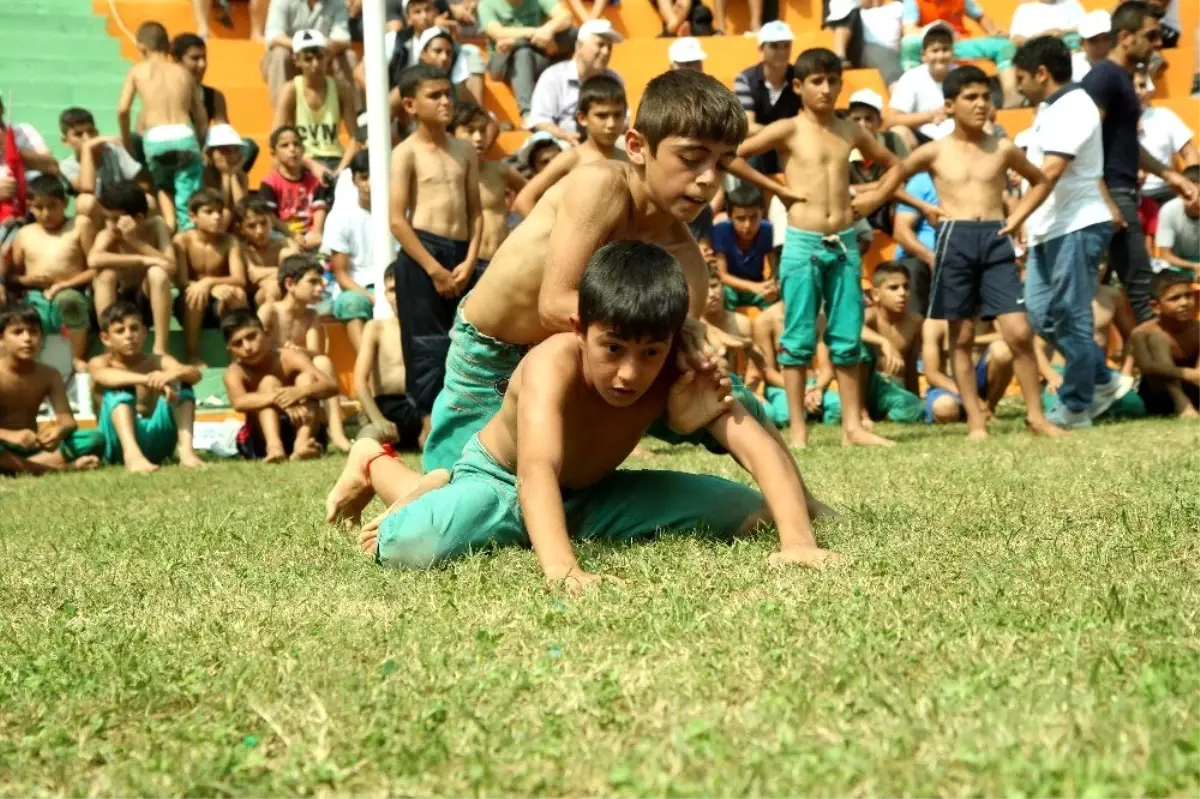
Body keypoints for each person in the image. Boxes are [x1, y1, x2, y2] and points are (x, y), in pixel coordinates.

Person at [417, 69, 833, 524]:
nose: (709, 179)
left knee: (720, 389)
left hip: (598, 363)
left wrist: (694, 354)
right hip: (491, 367)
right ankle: (372, 463)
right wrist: (681, 330)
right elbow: (555, 305)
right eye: (692, 158)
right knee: (455, 497)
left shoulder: (686, 259)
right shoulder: (601, 186)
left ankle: (804, 506)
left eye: (723, 162)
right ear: (637, 147)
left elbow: (662, 368)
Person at [327, 242, 840, 587]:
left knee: (752, 514)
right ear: (579, 328)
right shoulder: (550, 366)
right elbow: (535, 472)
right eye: (612, 348)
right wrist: (563, 571)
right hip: (503, 483)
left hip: (595, 496)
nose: (629, 373)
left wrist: (798, 542)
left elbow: (755, 444)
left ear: (670, 341)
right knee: (408, 545)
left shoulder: (676, 366)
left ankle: (506, 513)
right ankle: (377, 463)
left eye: (649, 353)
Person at [738, 48, 904, 449]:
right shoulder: (788, 129)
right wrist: (778, 190)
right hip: (802, 242)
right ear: (798, 86)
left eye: (832, 81)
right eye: (816, 81)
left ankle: (853, 427)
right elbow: (731, 157)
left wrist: (876, 197)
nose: (826, 89)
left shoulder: (850, 130)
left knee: (847, 335)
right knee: (797, 337)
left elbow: (895, 164)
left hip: (845, 242)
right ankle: (797, 429)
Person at [900, 65, 1064, 440]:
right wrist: (920, 205)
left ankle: (1036, 417)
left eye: (985, 97)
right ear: (949, 105)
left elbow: (1041, 182)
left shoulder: (1003, 148)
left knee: (1019, 332)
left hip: (994, 236)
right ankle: (975, 420)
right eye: (970, 97)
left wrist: (1017, 216)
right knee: (960, 337)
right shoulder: (934, 151)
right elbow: (892, 177)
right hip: (954, 237)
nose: (980, 104)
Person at [1013, 36, 1123, 429]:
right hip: (1049, 228)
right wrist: (1029, 221)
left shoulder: (1075, 106)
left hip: (1076, 224)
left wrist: (1015, 218)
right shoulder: (1049, 108)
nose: (1018, 86)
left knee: (1071, 317)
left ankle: (1076, 406)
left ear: (1042, 73)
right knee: (1041, 314)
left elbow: (1052, 172)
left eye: (1022, 77)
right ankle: (1103, 378)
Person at [1081, 1, 1198, 326]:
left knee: (1138, 286)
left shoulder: (1121, 79)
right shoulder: (1105, 77)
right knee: (1140, 289)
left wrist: (1168, 174)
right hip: (1108, 194)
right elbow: (1084, 142)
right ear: (1125, 37)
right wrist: (1106, 199)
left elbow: (1124, 143)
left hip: (1120, 192)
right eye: (1151, 35)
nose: (1158, 43)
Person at [388, 64, 483, 439]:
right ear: (410, 104)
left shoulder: (464, 150)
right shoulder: (405, 153)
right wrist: (434, 269)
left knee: (471, 340)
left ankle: (468, 424)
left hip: (463, 256)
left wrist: (471, 260)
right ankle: (429, 425)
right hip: (422, 253)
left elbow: (477, 213)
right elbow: (397, 220)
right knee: (426, 346)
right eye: (435, 95)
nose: (446, 101)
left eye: (448, 93)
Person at [87, 301, 204, 472]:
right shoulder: (100, 362)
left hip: (156, 441)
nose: (129, 335)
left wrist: (173, 375)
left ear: (143, 333)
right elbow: (103, 376)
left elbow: (195, 374)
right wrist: (148, 379)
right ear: (106, 339)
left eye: (134, 329)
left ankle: (187, 453)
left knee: (183, 386)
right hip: (116, 444)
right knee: (119, 390)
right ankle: (132, 457)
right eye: (120, 331)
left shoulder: (156, 360)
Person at [257, 253, 353, 451]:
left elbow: (314, 351)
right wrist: (283, 352)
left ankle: (337, 433)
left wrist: (299, 351)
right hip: (271, 381)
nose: (321, 287)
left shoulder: (311, 315)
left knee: (323, 362)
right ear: (290, 284)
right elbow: (255, 352)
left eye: (322, 282)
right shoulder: (269, 311)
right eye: (313, 282)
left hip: (302, 381)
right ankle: (276, 444)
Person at [118, 22, 207, 233]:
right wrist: (201, 144)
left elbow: (123, 110)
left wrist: (126, 141)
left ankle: (169, 226)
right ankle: (186, 231)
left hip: (156, 138)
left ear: (141, 46)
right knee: (188, 196)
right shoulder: (183, 73)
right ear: (167, 45)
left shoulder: (137, 71)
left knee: (163, 185)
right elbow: (201, 116)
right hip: (184, 135)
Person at [222, 308, 338, 461]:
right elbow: (238, 402)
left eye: (251, 337)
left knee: (307, 379)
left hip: (304, 426)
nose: (247, 347)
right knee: (268, 382)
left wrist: (300, 391)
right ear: (230, 349)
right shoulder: (235, 371)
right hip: (261, 439)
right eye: (238, 343)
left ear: (266, 333)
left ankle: (302, 444)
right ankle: (274, 448)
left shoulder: (288, 357)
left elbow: (331, 385)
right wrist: (280, 397)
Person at [0, 306, 102, 476]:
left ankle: (18, 467)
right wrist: (10, 435)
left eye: (33, 332)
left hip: (33, 446)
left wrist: (57, 432)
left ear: (42, 338)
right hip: (3, 444)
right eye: (17, 332)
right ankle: (54, 469)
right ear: (1, 339)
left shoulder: (49, 374)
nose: (27, 339)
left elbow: (68, 420)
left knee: (93, 439)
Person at [8, 176, 95, 372]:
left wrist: (64, 284)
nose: (46, 213)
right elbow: (12, 277)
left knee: (69, 302)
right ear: (30, 206)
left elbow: (95, 268)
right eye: (39, 207)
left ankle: (75, 359)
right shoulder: (25, 234)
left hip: (72, 291)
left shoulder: (79, 225)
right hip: (36, 295)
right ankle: (31, 364)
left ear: (65, 203)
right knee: (29, 316)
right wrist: (25, 280)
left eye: (52, 206)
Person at [513, 74, 627, 215]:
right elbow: (524, 200)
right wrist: (551, 234)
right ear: (582, 118)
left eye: (617, 115)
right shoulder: (572, 158)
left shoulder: (628, 159)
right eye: (602, 116)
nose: (611, 124)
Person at [89, 181, 177, 356]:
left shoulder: (156, 225)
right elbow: (93, 259)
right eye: (106, 217)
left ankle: (160, 349)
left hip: (145, 302)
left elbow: (170, 265)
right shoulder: (108, 234)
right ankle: (110, 349)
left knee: (158, 273)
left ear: (138, 218)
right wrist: (142, 259)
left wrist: (134, 241)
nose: (109, 224)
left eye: (115, 219)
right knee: (105, 275)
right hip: (114, 303)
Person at [322, 150, 396, 351]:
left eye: (374, 176)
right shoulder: (340, 217)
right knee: (352, 303)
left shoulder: (400, 212)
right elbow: (342, 275)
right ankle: (369, 369)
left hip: (395, 284)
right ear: (354, 180)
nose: (370, 184)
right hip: (358, 289)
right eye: (364, 178)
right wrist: (374, 298)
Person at [172, 188, 250, 366]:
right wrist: (207, 287)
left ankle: (237, 357)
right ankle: (193, 354)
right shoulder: (182, 240)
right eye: (209, 212)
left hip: (219, 303)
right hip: (189, 304)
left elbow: (240, 279)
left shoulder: (230, 241)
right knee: (195, 293)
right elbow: (181, 281)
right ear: (193, 217)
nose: (216, 217)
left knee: (238, 294)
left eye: (219, 211)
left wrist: (210, 282)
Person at [898, 0, 1020, 108]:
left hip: (960, 44)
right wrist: (939, 33)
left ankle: (1011, 95)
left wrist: (992, 31)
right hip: (931, 43)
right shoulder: (913, 1)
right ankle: (914, 91)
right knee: (909, 43)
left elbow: (980, 15)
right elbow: (909, 29)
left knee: (1005, 45)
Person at [449, 103, 527, 270]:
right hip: (463, 265)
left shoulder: (499, 170)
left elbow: (532, 194)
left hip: (501, 260)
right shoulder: (445, 177)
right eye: (470, 131)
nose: (478, 137)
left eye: (483, 130)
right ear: (451, 134)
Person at [271, 30, 359, 176]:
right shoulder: (291, 90)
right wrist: (312, 165)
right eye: (308, 59)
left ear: (327, 57)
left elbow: (355, 138)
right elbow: (275, 139)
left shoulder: (341, 89)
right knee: (277, 163)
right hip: (301, 160)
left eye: (319, 57)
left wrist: (340, 170)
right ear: (296, 61)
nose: (316, 64)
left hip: (335, 159)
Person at [354, 265, 423, 449]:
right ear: (385, 294)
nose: (398, 294)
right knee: (368, 438)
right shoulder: (376, 328)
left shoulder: (427, 328)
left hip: (424, 407)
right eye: (392, 289)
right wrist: (378, 419)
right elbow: (360, 380)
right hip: (388, 407)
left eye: (403, 286)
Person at [171, 33, 261, 173]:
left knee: (248, 147)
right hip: (177, 152)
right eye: (195, 58)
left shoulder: (214, 96)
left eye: (204, 58)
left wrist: (211, 151)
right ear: (176, 61)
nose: (202, 64)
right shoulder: (167, 94)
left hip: (206, 154)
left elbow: (223, 133)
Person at [526, 19, 622, 143]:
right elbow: (539, 120)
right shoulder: (554, 76)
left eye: (609, 47)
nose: (606, 52)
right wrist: (565, 135)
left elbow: (624, 120)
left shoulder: (614, 80)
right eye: (600, 45)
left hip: (605, 142)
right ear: (579, 46)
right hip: (563, 141)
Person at [480, 0, 575, 121]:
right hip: (503, 61)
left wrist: (548, 30)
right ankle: (528, 112)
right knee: (522, 52)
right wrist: (536, 33)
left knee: (577, 34)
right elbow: (499, 33)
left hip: (536, 52)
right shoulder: (487, 4)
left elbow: (566, 16)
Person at [57, 108, 148, 225]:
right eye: (78, 134)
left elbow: (142, 183)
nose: (87, 138)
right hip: (98, 215)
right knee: (85, 202)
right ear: (66, 141)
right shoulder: (67, 166)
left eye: (91, 131)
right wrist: (87, 149)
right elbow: (87, 188)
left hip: (123, 209)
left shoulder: (113, 150)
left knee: (148, 200)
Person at [733, 22, 801, 178]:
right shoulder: (745, 79)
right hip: (761, 146)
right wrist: (783, 135)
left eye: (786, 45)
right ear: (761, 49)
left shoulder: (799, 77)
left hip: (788, 145)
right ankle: (749, 201)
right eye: (774, 46)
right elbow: (747, 127)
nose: (782, 51)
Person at [1130, 271, 1200, 417]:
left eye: (1188, 296)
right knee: (1158, 339)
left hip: (1194, 390)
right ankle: (1182, 405)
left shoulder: (1197, 329)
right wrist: (1189, 374)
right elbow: (1147, 366)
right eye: (1175, 298)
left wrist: (1196, 375)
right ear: (1156, 307)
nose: (1184, 303)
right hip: (1158, 393)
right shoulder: (1142, 332)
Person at [261, 0, 355, 108]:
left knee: (349, 57)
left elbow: (343, 37)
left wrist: (319, 50)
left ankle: (355, 114)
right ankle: (282, 117)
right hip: (291, 56)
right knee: (279, 54)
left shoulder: (337, 2)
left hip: (322, 57)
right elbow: (273, 36)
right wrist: (302, 46)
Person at [920, 317, 1014, 423]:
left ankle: (989, 407)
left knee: (1003, 350)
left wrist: (969, 341)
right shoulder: (934, 322)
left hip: (979, 377)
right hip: (950, 385)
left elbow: (1009, 336)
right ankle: (967, 410)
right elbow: (932, 374)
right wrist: (973, 398)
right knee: (945, 409)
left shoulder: (987, 311)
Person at [861, 261, 924, 413]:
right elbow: (852, 328)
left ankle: (886, 414)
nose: (902, 293)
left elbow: (911, 366)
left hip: (893, 388)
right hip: (864, 387)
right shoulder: (870, 316)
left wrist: (914, 396)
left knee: (913, 408)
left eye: (906, 287)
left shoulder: (915, 322)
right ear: (876, 295)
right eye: (893, 288)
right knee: (860, 349)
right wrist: (883, 342)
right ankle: (860, 411)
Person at [886, 25, 956, 150]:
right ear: (924, 55)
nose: (940, 56)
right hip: (923, 141)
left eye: (945, 50)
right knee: (899, 132)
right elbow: (891, 120)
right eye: (935, 51)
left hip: (960, 138)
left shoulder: (964, 75)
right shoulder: (911, 78)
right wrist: (929, 116)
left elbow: (989, 111)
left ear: (953, 52)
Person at [1134, 68, 1198, 206]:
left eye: (1142, 85)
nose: (1138, 91)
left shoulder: (1163, 116)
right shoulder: (1112, 121)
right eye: (1132, 86)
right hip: (1132, 194)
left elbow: (1189, 152)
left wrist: (1192, 185)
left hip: (1168, 191)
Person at [259, 125, 330, 249]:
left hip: (309, 233)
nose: (292, 149)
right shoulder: (269, 182)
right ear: (274, 153)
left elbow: (319, 209)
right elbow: (270, 215)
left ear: (303, 149)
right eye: (285, 145)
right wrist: (292, 235)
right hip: (282, 233)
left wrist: (316, 232)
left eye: (296, 144)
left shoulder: (314, 181)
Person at [711, 184, 776, 311]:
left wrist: (771, 285)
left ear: (762, 213)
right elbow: (722, 276)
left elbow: (773, 267)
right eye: (741, 218)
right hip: (731, 287)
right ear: (730, 216)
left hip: (758, 285)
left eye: (754, 217)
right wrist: (754, 287)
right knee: (724, 296)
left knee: (776, 300)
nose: (748, 225)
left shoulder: (767, 230)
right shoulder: (721, 230)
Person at [825, 0, 906, 88]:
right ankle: (840, 57)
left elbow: (908, 32)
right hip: (861, 49)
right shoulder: (854, 11)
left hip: (890, 53)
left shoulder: (898, 7)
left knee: (887, 57)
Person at [892, 169, 938, 314]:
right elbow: (901, 231)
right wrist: (932, 258)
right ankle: (913, 327)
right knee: (913, 268)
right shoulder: (922, 181)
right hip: (920, 259)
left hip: (963, 258)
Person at [238, 194, 297, 306]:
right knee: (273, 286)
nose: (260, 231)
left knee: (286, 256)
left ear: (272, 221)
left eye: (264, 223)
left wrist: (266, 275)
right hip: (252, 300)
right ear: (242, 229)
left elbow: (297, 274)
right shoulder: (242, 249)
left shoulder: (286, 244)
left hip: (284, 296)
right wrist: (283, 272)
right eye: (251, 226)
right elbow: (253, 275)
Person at [1156, 165, 1200, 275]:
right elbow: (1165, 255)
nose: (1196, 200)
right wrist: (1194, 266)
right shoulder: (1169, 210)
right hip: (1177, 265)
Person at [1008, 0, 1085, 46]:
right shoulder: (1025, 9)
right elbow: (1016, 41)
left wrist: (1062, 33)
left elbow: (1086, 29)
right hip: (1040, 61)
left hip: (1074, 57)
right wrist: (1043, 37)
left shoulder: (1072, 4)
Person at [1071, 10, 1111, 82]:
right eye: (1093, 41)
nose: (1101, 46)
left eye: (1106, 38)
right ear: (1082, 43)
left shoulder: (1126, 63)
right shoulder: (1072, 71)